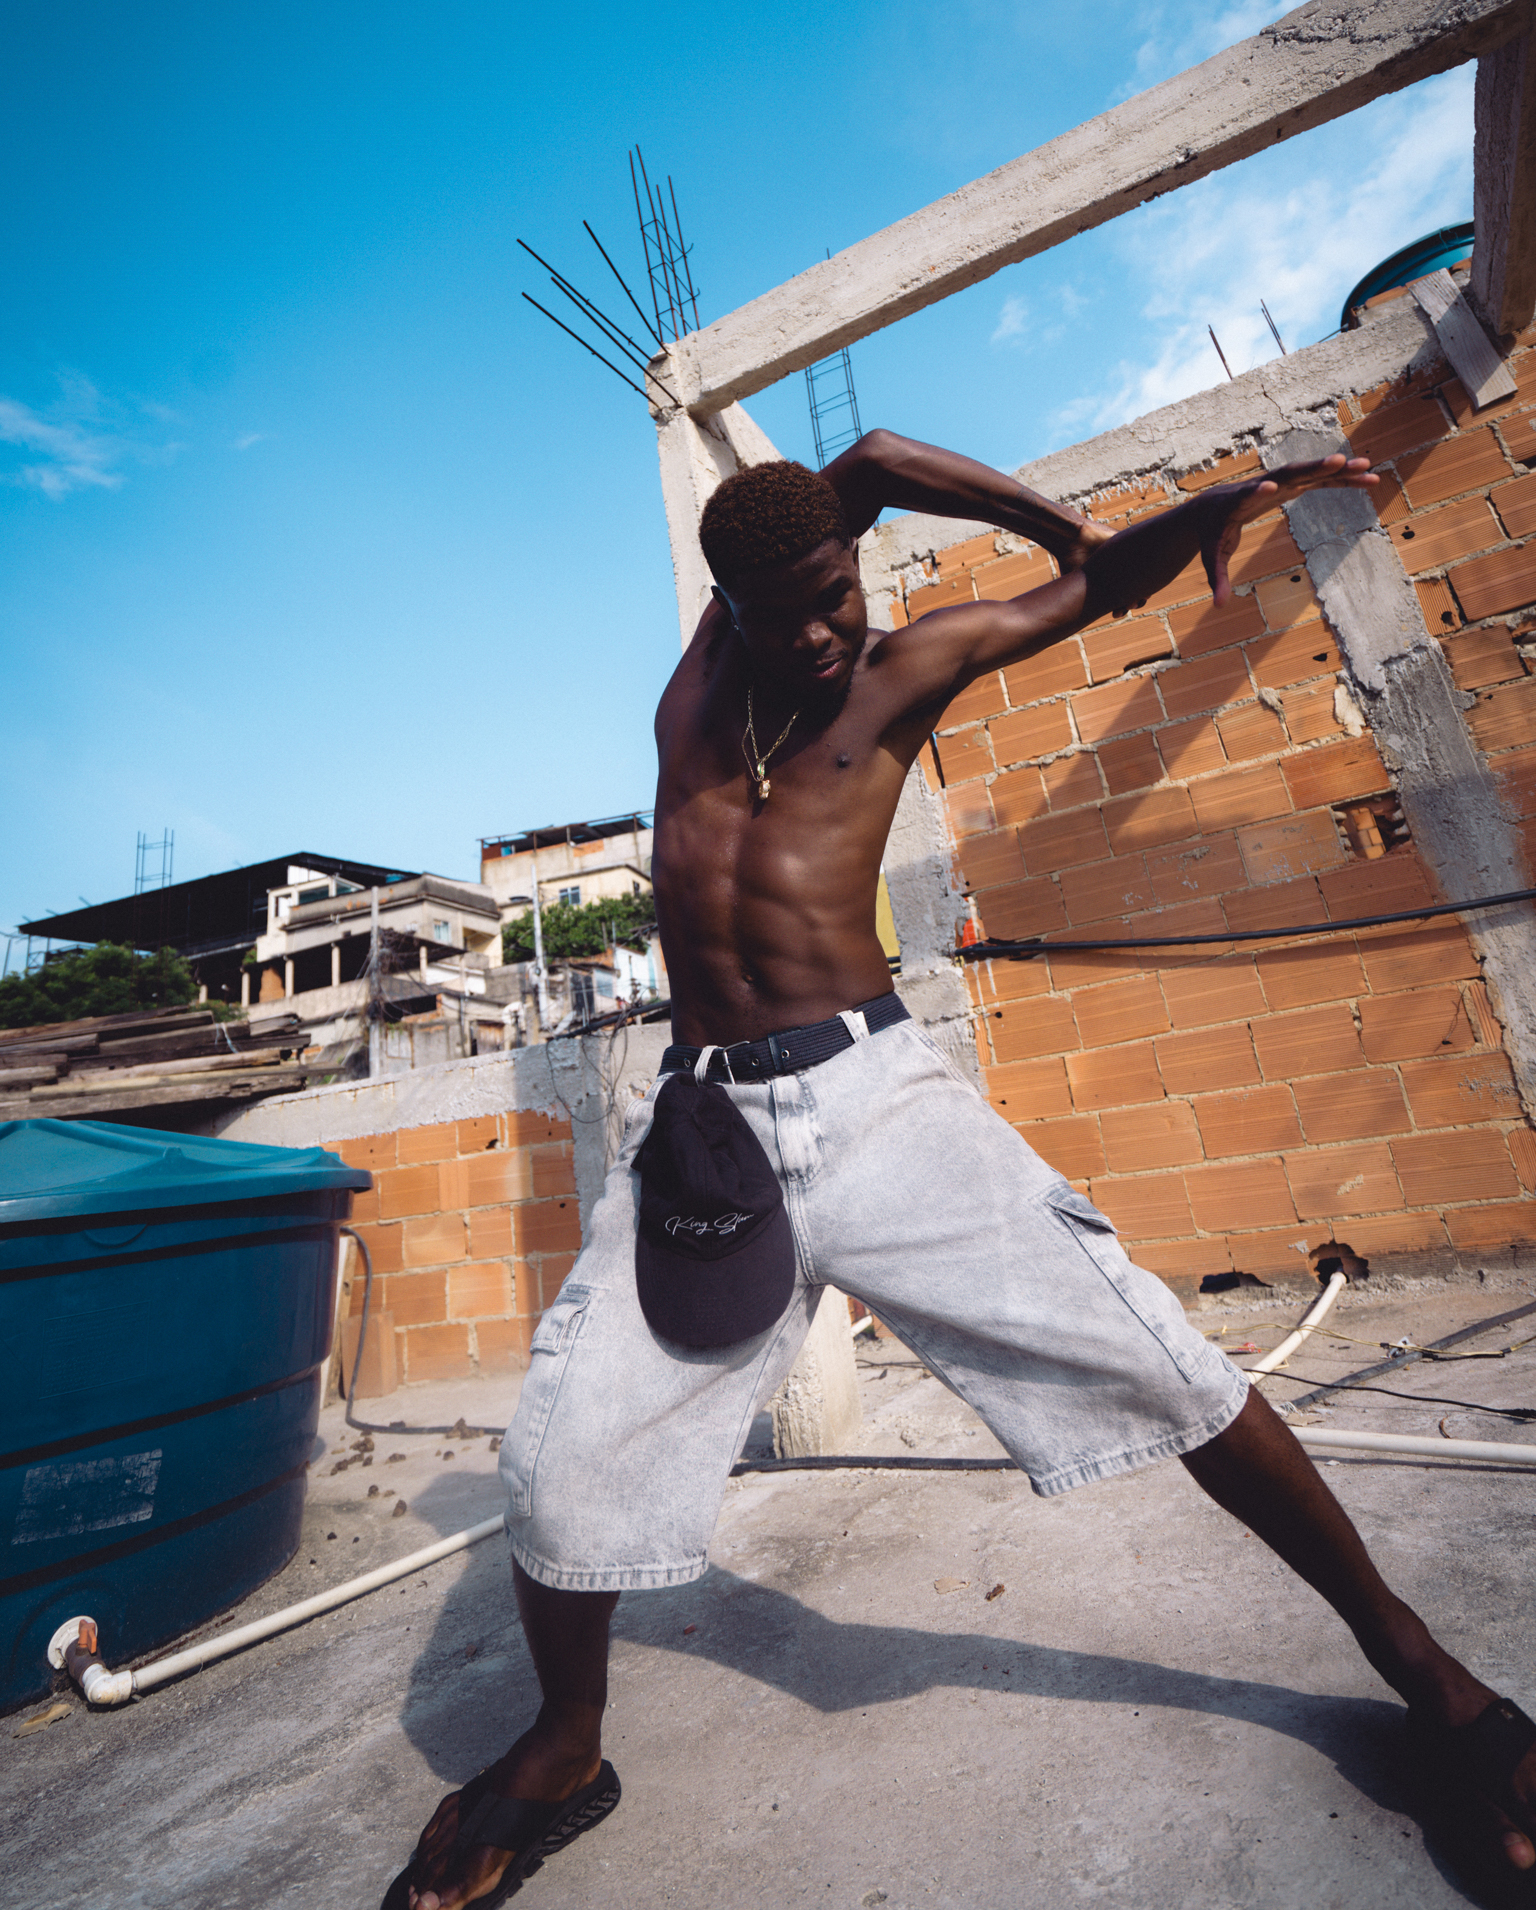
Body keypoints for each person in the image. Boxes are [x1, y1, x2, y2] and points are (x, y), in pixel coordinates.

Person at [389, 429, 1536, 1910]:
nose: (825, 629)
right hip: (707, 1128)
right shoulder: (693, 705)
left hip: (879, 1105)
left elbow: (1076, 580)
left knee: (1167, 1365)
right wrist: (821, 539)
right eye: (785, 607)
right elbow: (856, 461)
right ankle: (562, 1748)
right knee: (556, 1465)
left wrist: (1153, 515)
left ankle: (1436, 1686)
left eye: (837, 588)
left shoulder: (906, 669)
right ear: (723, 609)